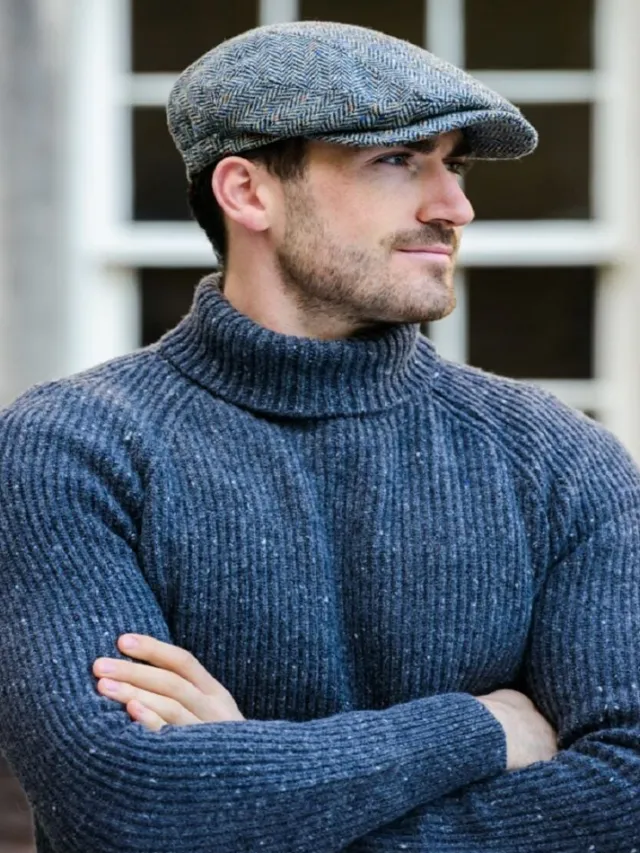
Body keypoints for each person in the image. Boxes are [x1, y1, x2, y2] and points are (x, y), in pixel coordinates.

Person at [0, 19, 639, 853]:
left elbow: (627, 788)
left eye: (454, 164)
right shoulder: (67, 448)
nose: (455, 207)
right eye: (397, 160)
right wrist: (479, 729)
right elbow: (125, 805)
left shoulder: (561, 458)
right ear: (248, 192)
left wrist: (242, 792)